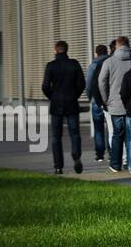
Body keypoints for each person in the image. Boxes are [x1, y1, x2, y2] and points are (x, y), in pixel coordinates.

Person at [41, 41, 86, 175]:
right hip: (71, 102)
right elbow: (81, 84)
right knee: (75, 133)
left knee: (56, 136)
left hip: (56, 104)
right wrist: (74, 95)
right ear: (66, 49)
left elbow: (45, 86)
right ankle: (76, 155)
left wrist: (53, 97)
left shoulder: (51, 66)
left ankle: (58, 166)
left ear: (55, 50)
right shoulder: (74, 64)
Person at [98, 37, 131, 173]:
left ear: (117, 46)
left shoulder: (109, 62)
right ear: (128, 45)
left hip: (115, 104)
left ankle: (115, 164)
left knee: (117, 135)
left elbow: (101, 82)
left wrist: (106, 99)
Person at [85, 44, 110, 162]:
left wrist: (90, 98)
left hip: (96, 100)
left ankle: (100, 154)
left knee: (98, 127)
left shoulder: (93, 65)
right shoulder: (111, 62)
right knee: (110, 127)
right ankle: (112, 152)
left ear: (96, 53)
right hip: (109, 100)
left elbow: (88, 85)